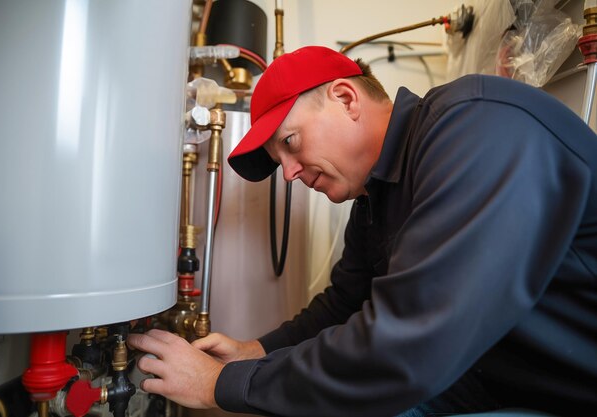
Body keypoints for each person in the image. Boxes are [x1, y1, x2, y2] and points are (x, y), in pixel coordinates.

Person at [127, 46, 597, 416]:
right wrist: (255, 350)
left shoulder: (477, 128)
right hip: (498, 377)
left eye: (290, 143)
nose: (289, 174)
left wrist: (217, 384)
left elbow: (407, 347)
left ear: (346, 99)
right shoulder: (376, 197)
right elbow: (346, 303)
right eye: (278, 162)